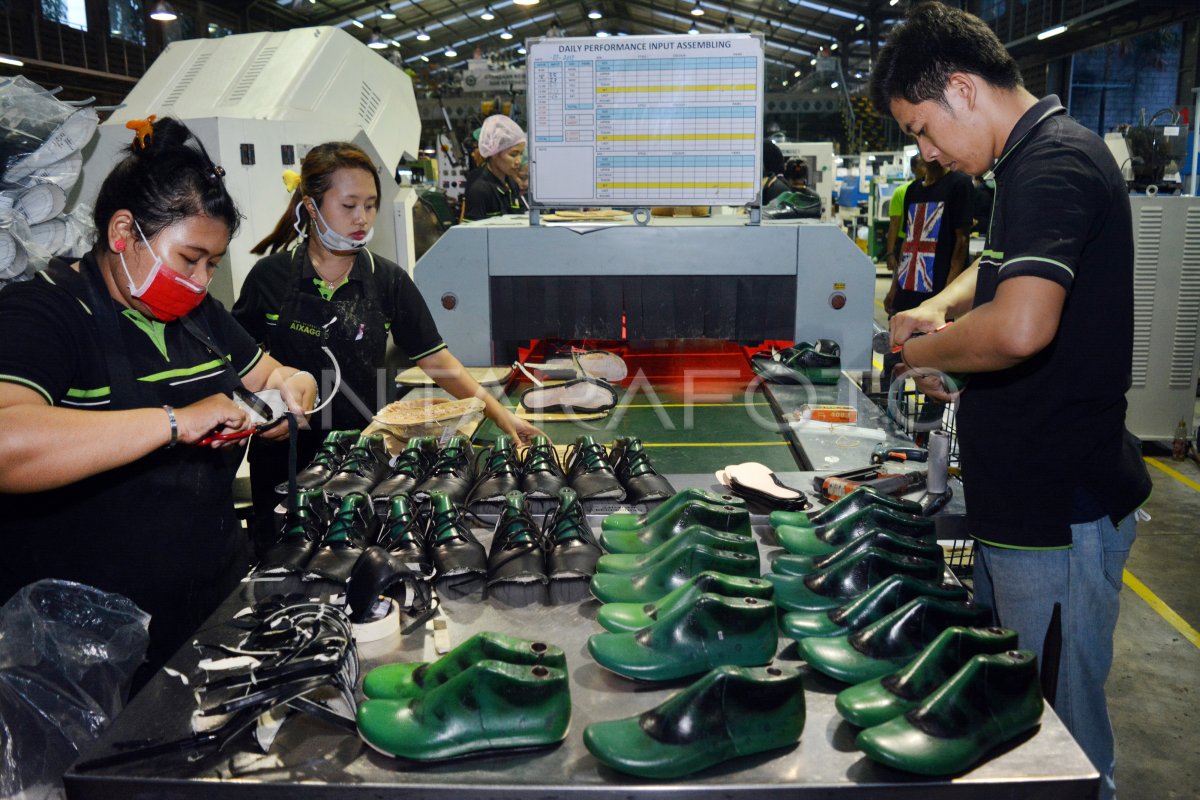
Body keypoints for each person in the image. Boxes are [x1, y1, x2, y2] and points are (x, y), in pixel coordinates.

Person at [871, 4, 1152, 798]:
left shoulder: (1055, 164)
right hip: (1021, 504)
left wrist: (914, 355)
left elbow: (1023, 327)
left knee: (1058, 732)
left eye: (923, 129)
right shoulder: (1027, 161)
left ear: (962, 88)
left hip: (1057, 511)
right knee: (1009, 708)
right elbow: (1002, 270)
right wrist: (945, 307)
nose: (927, 152)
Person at [0, 116, 318, 685]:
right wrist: (176, 422)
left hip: (208, 607)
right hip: (88, 652)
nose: (200, 281)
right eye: (188, 259)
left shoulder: (197, 317)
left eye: (213, 265)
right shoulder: (44, 314)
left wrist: (292, 387)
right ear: (123, 232)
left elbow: (272, 372)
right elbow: (7, 444)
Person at [234, 142, 542, 541]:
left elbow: (437, 361)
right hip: (286, 462)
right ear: (311, 207)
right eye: (348, 206)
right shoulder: (269, 279)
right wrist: (261, 412)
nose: (362, 218)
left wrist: (502, 415)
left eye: (370, 204)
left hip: (366, 464)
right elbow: (235, 365)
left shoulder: (387, 280)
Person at [881, 154, 971, 393]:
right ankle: (888, 420)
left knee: (935, 370)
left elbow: (961, 241)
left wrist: (948, 293)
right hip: (908, 287)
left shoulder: (959, 185)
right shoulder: (912, 190)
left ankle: (926, 427)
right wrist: (895, 286)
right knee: (892, 364)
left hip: (936, 292)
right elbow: (908, 242)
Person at [462, 114, 528, 221]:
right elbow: (471, 234)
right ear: (495, 153)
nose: (518, 161)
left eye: (521, 154)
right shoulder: (480, 190)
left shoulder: (512, 184)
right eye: (513, 154)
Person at [884, 155, 926, 275]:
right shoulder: (902, 191)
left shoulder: (935, 191)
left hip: (925, 243)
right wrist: (890, 253)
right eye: (922, 165)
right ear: (913, 169)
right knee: (901, 280)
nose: (926, 168)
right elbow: (894, 225)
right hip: (905, 243)